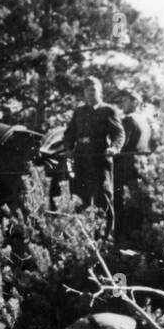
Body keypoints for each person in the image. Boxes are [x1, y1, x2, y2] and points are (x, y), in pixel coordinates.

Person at [62, 76, 126, 236]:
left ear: (100, 92)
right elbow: (69, 133)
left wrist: (114, 148)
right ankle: (80, 235)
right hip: (82, 161)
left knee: (102, 199)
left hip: (100, 161)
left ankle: (104, 237)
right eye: (87, 90)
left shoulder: (108, 110)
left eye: (93, 90)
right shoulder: (79, 112)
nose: (90, 93)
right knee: (80, 199)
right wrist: (68, 148)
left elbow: (119, 133)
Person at [114, 91, 155, 234]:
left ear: (135, 102)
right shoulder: (146, 121)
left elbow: (121, 145)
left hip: (126, 167)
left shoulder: (129, 119)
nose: (122, 104)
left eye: (125, 101)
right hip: (142, 167)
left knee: (121, 204)